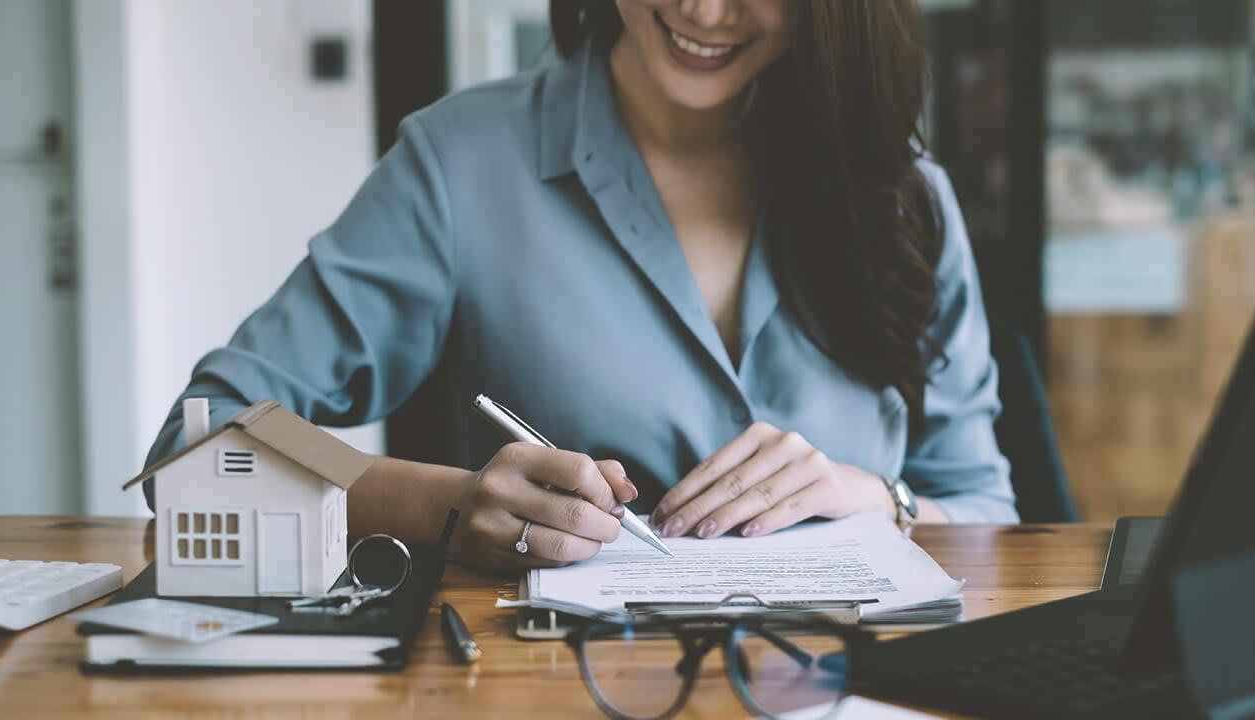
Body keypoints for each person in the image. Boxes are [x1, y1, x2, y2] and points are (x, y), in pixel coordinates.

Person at [142, 0, 1018, 572]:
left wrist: (882, 499)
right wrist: (449, 504)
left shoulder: (904, 198)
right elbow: (196, 451)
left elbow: (992, 519)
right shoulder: (462, 164)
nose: (704, 11)